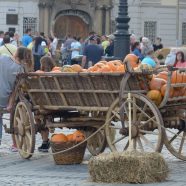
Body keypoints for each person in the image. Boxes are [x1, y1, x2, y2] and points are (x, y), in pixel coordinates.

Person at [0, 47, 33, 148]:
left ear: (16, 53)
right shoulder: (21, 69)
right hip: (6, 97)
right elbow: (16, 89)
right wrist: (10, 104)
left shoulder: (4, 58)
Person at [37, 56, 55, 152]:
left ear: (42, 65)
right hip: (62, 103)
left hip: (46, 105)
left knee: (37, 116)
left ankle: (45, 141)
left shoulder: (40, 76)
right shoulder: (58, 73)